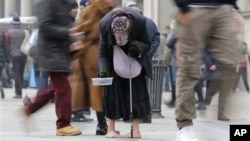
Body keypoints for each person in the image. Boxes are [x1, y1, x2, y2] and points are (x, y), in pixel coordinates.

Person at [173, 0, 241, 141]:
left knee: (230, 63)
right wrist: (182, 6)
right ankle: (184, 126)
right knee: (189, 69)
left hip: (223, 7)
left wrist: (233, 7)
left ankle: (216, 119)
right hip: (193, 7)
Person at [22, 0, 82, 136]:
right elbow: (45, 27)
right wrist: (69, 33)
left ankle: (29, 108)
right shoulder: (46, 2)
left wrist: (73, 40)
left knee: (57, 88)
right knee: (64, 89)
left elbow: (65, 25)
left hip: (59, 51)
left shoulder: (63, 3)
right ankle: (63, 125)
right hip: (50, 52)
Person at [99, 6, 152, 138]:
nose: (120, 40)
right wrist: (103, 69)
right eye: (117, 36)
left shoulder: (139, 22)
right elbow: (103, 53)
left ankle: (135, 130)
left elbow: (147, 44)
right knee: (113, 95)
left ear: (129, 29)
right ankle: (110, 129)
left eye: (123, 36)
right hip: (114, 61)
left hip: (134, 62)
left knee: (135, 95)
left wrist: (138, 47)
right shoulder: (104, 25)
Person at [69, 0, 117, 135]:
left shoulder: (95, 10)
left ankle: (103, 124)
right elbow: (84, 29)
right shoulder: (97, 10)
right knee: (99, 89)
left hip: (96, 52)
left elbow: (81, 29)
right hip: (95, 54)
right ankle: (102, 125)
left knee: (99, 89)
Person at [124, 0, 161, 123]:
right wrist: (149, 53)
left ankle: (134, 115)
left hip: (133, 60)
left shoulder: (131, 22)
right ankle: (146, 115)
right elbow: (157, 38)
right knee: (144, 89)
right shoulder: (150, 22)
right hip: (145, 61)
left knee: (133, 89)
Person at [5, 16, 27, 99]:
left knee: (16, 74)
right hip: (23, 55)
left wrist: (8, 56)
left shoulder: (8, 33)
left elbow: (7, 45)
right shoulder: (25, 32)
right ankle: (19, 89)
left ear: (12, 23)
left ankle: (18, 92)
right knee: (21, 73)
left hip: (14, 55)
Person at [0, 28, 10, 99]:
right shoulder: (2, 34)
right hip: (1, 58)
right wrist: (7, 60)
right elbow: (6, 48)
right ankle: (1, 87)